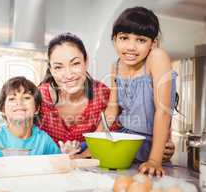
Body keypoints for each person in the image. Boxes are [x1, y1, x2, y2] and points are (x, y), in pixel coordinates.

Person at [38, 33, 175, 160]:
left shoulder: (103, 95)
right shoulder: (38, 97)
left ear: (86, 62)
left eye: (75, 64)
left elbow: (121, 137)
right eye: (58, 67)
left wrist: (161, 145)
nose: (68, 74)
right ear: (51, 69)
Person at [104, 6, 177, 177]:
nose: (131, 47)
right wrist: (96, 138)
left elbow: (163, 112)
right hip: (125, 142)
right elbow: (112, 109)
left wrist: (154, 160)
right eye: (124, 38)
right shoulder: (115, 65)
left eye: (141, 40)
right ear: (115, 40)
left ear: (153, 43)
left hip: (152, 147)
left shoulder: (157, 57)